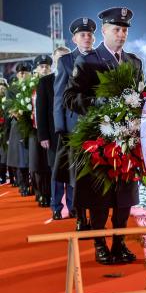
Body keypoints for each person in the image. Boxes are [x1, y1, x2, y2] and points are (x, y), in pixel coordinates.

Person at [64, 7, 142, 265]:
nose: (121, 34)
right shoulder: (88, 61)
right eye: (116, 29)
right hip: (98, 139)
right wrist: (98, 102)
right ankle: (100, 244)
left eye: (125, 30)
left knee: (124, 195)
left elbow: (140, 95)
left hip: (127, 139)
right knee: (99, 196)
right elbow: (70, 98)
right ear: (105, 31)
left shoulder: (134, 62)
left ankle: (119, 242)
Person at [54, 17, 96, 228]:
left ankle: (96, 215)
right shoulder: (66, 61)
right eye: (82, 35)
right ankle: (80, 216)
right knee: (77, 174)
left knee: (95, 173)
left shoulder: (100, 59)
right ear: (74, 39)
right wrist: (60, 127)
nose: (87, 38)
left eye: (89, 34)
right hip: (74, 128)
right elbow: (59, 97)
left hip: (98, 126)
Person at [37, 47, 71, 219]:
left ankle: (73, 207)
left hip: (73, 134)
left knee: (73, 172)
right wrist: (43, 135)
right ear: (54, 59)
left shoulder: (75, 79)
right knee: (56, 173)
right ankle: (56, 207)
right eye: (60, 58)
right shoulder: (45, 82)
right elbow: (40, 111)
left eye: (66, 58)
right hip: (53, 135)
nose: (63, 61)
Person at [29, 55, 53, 207]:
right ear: (36, 68)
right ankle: (40, 193)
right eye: (41, 66)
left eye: (46, 66)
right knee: (37, 164)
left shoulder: (52, 82)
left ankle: (49, 194)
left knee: (48, 164)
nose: (44, 69)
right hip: (33, 130)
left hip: (49, 130)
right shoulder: (29, 86)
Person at [6, 62, 32, 197]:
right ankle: (23, 185)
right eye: (21, 72)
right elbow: (9, 108)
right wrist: (19, 113)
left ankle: (35, 185)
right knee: (20, 159)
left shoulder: (34, 86)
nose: (23, 74)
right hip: (18, 125)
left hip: (33, 125)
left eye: (25, 72)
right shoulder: (12, 89)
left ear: (30, 73)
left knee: (32, 158)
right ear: (17, 74)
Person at [0, 78, 9, 184]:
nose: (1, 87)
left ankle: (3, 175)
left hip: (6, 130)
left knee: (4, 154)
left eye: (3, 85)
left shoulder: (8, 99)